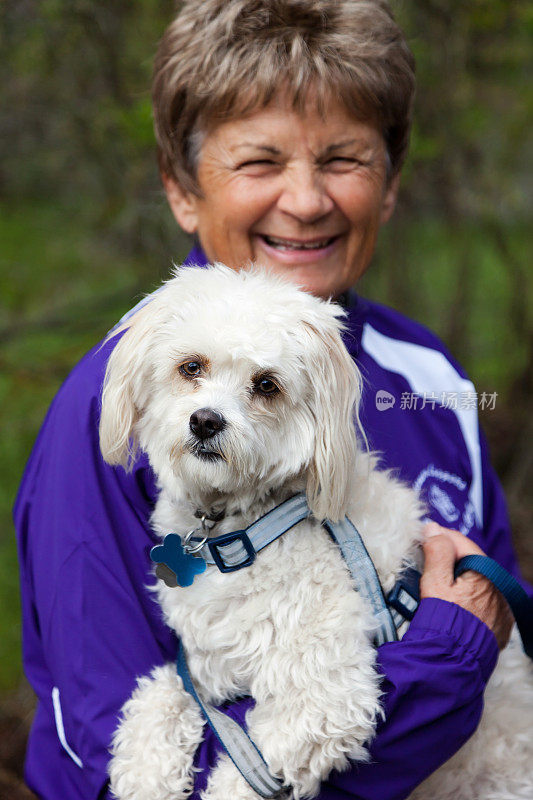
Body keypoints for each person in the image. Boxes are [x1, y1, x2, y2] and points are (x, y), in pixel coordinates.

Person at [14, 1, 528, 798]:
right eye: (259, 161)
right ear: (182, 190)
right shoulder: (119, 410)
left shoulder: (429, 380)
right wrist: (444, 666)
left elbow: (503, 657)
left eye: (343, 159)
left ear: (388, 187)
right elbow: (118, 776)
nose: (306, 200)